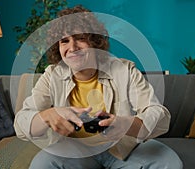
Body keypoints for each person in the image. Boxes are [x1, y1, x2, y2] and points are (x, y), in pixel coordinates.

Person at [14, 5, 183, 169]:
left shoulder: (124, 69)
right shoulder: (52, 75)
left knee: (170, 163)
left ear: (95, 41)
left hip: (122, 149)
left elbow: (159, 115)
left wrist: (127, 124)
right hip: (76, 151)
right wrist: (47, 115)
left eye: (80, 38)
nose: (72, 48)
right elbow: (21, 123)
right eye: (64, 41)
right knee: (42, 164)